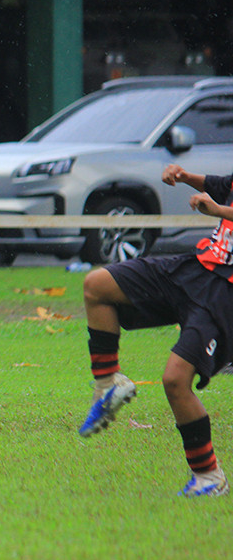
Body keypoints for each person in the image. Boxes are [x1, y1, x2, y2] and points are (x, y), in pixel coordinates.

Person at [79, 163, 233, 497]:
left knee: (176, 380)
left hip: (225, 296)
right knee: (97, 286)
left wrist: (218, 210)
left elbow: (222, 202)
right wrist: (185, 176)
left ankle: (209, 476)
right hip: (195, 269)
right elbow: (220, 183)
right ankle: (107, 382)